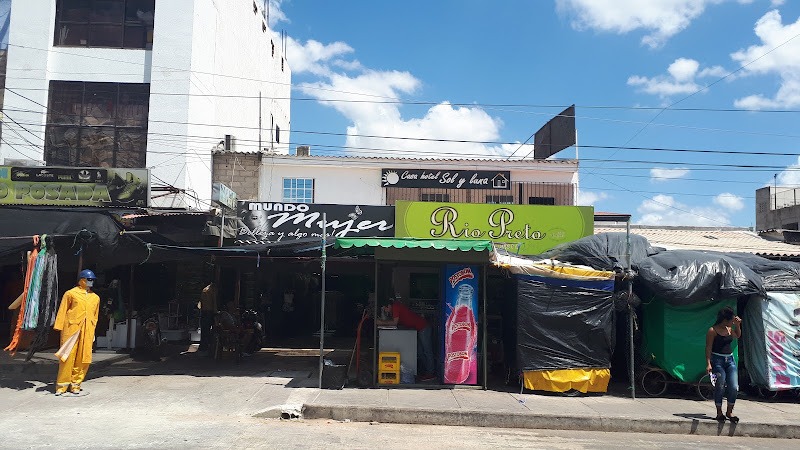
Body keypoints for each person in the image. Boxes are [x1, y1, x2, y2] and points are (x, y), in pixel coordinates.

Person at [53, 269, 100, 395]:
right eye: (88, 280)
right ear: (81, 280)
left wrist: (93, 330)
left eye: (92, 280)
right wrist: (59, 326)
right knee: (67, 357)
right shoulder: (70, 294)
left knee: (83, 359)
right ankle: (62, 385)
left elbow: (95, 316)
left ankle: (76, 384)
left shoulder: (95, 298)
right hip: (71, 329)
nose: (91, 282)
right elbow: (63, 310)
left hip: (87, 330)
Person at [377, 298, 435, 381]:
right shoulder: (395, 308)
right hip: (418, 328)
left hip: (423, 327)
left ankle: (430, 373)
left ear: (388, 306)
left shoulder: (395, 307)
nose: (385, 311)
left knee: (427, 351)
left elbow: (394, 323)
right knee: (420, 352)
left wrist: (381, 323)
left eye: (385, 309)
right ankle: (426, 371)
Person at [705, 306, 742, 423]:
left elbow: (737, 335)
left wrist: (737, 325)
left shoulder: (729, 329)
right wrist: (708, 363)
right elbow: (708, 347)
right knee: (720, 385)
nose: (732, 322)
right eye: (731, 320)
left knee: (734, 386)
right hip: (717, 360)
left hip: (729, 360)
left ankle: (729, 412)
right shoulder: (712, 331)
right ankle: (719, 412)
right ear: (725, 320)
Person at [197, 282, 217, 354]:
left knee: (204, 329)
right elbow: (214, 302)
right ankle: (208, 345)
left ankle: (203, 346)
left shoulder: (204, 290)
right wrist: (215, 312)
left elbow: (200, 303)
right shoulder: (212, 290)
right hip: (209, 311)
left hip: (204, 311)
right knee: (209, 329)